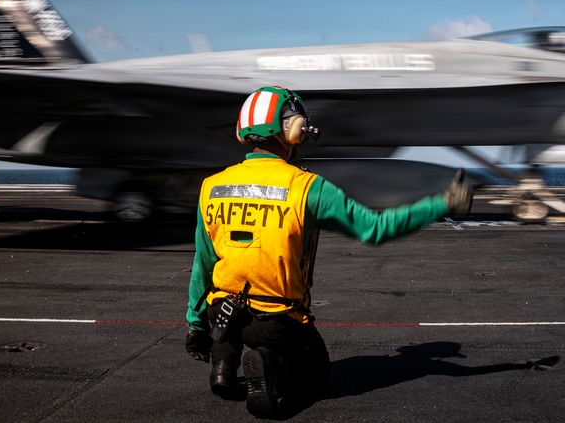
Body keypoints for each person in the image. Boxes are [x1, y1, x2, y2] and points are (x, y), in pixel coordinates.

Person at [185, 86, 473, 418]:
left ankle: (223, 365)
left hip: (222, 315)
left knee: (225, 291)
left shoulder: (212, 185)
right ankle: (269, 363)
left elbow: (203, 263)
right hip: (275, 321)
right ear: (290, 128)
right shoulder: (308, 187)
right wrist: (443, 203)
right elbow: (375, 228)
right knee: (317, 373)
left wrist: (195, 325)